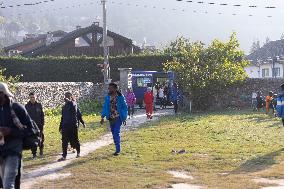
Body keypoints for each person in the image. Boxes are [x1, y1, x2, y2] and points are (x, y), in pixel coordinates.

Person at [0, 82, 32, 189]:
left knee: (8, 184)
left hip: (14, 151)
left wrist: (10, 131)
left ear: (2, 94)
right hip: (1, 152)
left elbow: (30, 130)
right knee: (5, 183)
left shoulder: (17, 108)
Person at [101, 83, 128, 156]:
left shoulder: (120, 97)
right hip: (110, 117)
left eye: (110, 88)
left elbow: (125, 107)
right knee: (113, 133)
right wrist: (102, 116)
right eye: (109, 88)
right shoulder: (107, 97)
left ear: (115, 89)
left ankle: (118, 150)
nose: (109, 89)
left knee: (116, 132)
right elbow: (105, 107)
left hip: (118, 117)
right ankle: (117, 147)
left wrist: (124, 117)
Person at [58, 92, 81, 161]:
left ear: (71, 96)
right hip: (65, 126)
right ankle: (64, 156)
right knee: (64, 141)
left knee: (75, 139)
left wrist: (69, 101)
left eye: (68, 96)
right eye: (66, 96)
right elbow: (62, 117)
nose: (66, 97)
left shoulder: (73, 103)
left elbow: (73, 105)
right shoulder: (64, 107)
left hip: (73, 125)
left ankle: (78, 152)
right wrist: (60, 127)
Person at [25, 92, 45, 159]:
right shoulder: (26, 106)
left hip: (39, 125)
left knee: (41, 139)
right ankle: (34, 154)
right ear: (29, 98)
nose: (32, 98)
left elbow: (42, 115)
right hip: (31, 127)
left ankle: (41, 151)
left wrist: (42, 124)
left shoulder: (39, 105)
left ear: (36, 97)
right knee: (33, 140)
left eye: (33, 97)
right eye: (31, 97)